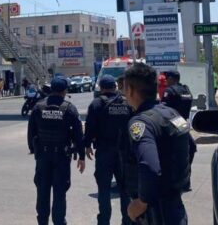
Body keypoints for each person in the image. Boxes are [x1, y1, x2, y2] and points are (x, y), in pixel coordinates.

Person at [124, 63, 190, 224]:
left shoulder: (141, 122)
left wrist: (141, 203)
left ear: (131, 90)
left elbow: (150, 166)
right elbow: (191, 147)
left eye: (124, 89)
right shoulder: (171, 113)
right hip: (175, 206)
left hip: (155, 213)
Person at [27, 76, 85, 225]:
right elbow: (78, 134)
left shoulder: (38, 107)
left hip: (43, 156)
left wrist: (34, 150)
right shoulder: (69, 108)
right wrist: (82, 156)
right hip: (61, 156)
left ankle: (42, 221)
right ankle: (59, 222)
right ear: (65, 90)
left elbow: (31, 132)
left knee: (42, 191)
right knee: (59, 192)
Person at [84, 74, 132, 225]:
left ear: (101, 88)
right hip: (125, 152)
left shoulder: (96, 104)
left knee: (103, 189)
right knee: (125, 189)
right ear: (115, 87)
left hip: (104, 151)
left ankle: (104, 221)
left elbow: (90, 128)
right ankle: (128, 220)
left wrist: (86, 146)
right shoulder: (127, 103)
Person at [161, 70, 196, 191]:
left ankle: (174, 182)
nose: (165, 80)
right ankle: (186, 182)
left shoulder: (169, 91)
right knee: (189, 149)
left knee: (171, 153)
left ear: (172, 78)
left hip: (172, 123)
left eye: (167, 78)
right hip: (183, 123)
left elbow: (164, 109)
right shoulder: (186, 89)